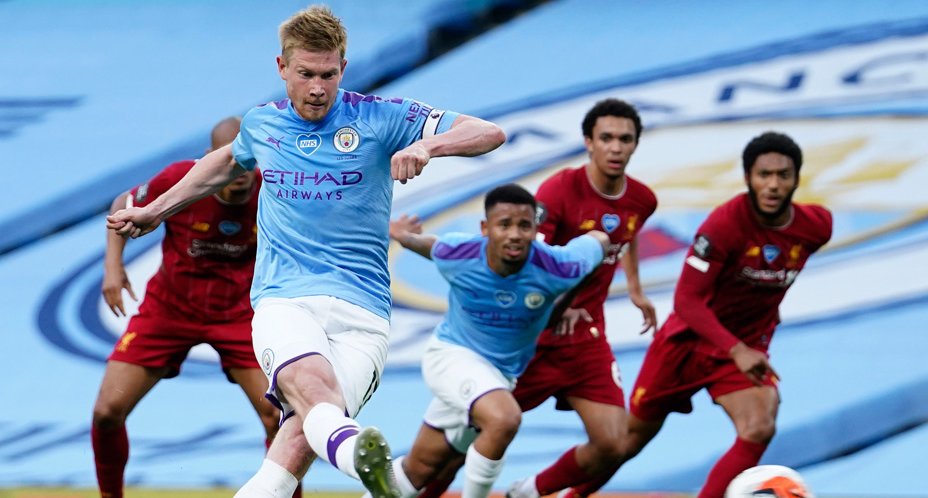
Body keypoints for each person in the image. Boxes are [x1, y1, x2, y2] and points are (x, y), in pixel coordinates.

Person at [107, 5, 505, 498]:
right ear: (282, 68)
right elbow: (224, 163)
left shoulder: (381, 117)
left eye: (328, 74)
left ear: (343, 68)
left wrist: (429, 147)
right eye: (305, 74)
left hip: (365, 311)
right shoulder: (262, 125)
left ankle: (367, 466)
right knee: (312, 387)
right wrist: (158, 210)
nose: (318, 88)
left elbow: (489, 132)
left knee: (296, 442)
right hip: (286, 299)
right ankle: (358, 454)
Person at [563, 131, 833, 498]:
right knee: (626, 443)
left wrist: (755, 328)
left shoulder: (817, 227)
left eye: (782, 175)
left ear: (796, 179)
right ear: (748, 178)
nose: (772, 185)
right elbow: (687, 301)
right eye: (763, 175)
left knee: (758, 427)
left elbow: (776, 264)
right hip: (686, 345)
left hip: (745, 349)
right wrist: (737, 348)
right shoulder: (724, 225)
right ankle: (569, 495)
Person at [417, 98, 658, 498]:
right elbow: (530, 262)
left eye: (625, 139)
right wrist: (555, 306)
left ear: (635, 145)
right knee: (458, 445)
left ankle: (525, 492)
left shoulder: (643, 199)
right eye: (607, 138)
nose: (616, 147)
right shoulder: (559, 191)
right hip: (531, 341)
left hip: (584, 340)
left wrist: (634, 288)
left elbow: (624, 236)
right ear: (589, 142)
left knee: (614, 443)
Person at [92, 117, 294, 498]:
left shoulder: (276, 190)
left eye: (249, 160)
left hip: (241, 316)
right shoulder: (178, 180)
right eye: (231, 161)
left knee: (279, 420)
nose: (240, 171)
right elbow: (124, 203)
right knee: (106, 412)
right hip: (169, 310)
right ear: (211, 158)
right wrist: (113, 267)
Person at [383, 184, 610, 498]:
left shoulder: (559, 266)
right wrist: (403, 235)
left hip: (498, 376)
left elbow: (599, 241)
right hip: (451, 356)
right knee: (504, 419)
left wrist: (590, 260)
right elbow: (424, 244)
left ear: (535, 230)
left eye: (524, 226)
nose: (515, 234)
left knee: (420, 467)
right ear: (485, 228)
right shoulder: (459, 253)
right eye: (504, 225)